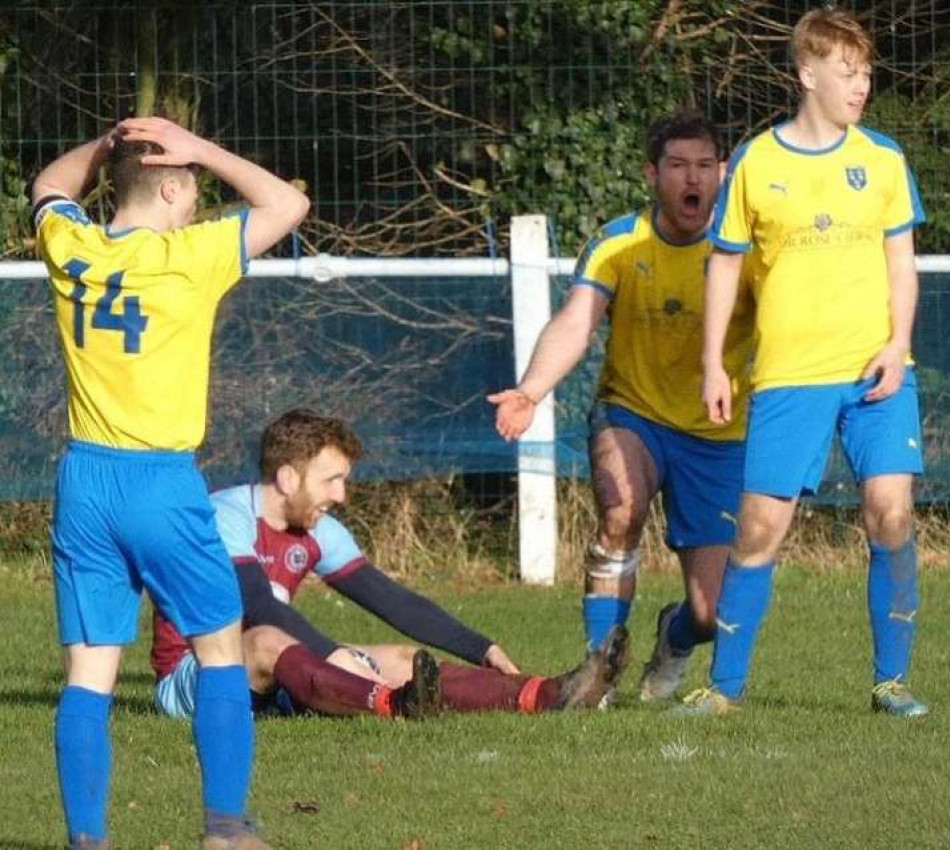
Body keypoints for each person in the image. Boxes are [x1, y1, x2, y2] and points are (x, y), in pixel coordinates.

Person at [33, 117, 309, 850]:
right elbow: (288, 205)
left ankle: (87, 840)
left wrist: (103, 145)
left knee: (88, 677)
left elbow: (49, 187)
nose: (196, 210)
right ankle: (225, 827)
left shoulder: (73, 247)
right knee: (219, 651)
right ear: (171, 184)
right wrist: (203, 145)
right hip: (159, 481)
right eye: (191, 194)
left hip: (85, 483)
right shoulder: (190, 257)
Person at [676, 8, 928, 718]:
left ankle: (890, 683)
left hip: (877, 371)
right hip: (789, 376)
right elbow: (723, 267)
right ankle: (721, 689)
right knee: (757, 528)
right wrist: (712, 364)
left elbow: (902, 266)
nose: (862, 86)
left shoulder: (881, 159)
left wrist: (894, 343)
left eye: (867, 73)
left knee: (890, 512)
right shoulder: (758, 162)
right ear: (806, 73)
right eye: (848, 73)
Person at [488, 111, 756, 703]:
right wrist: (530, 391)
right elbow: (575, 322)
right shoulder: (619, 241)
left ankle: (673, 637)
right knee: (621, 510)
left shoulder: (743, 250)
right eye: (679, 165)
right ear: (652, 174)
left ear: (723, 174)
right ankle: (597, 675)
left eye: (705, 166)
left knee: (710, 612)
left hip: (717, 432)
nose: (694, 177)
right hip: (630, 413)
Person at [151, 408, 629, 721]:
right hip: (194, 675)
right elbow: (257, 604)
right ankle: (391, 705)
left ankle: (550, 694)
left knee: (402, 658)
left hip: (266, 674)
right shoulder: (225, 516)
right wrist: (328, 653)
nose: (341, 495)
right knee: (266, 641)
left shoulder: (317, 530)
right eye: (332, 480)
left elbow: (390, 599)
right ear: (287, 476)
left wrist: (479, 646)